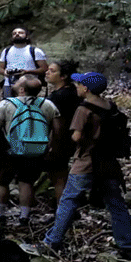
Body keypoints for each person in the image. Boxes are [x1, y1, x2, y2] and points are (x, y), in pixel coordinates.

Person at [40, 72, 131, 260]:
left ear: (85, 88)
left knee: (68, 201)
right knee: (116, 204)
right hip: (108, 163)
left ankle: (52, 242)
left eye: (78, 84)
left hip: (86, 162)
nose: (76, 87)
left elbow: (76, 136)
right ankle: (127, 245)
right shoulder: (110, 106)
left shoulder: (84, 109)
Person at [0, 73, 55, 224]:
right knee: (26, 182)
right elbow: (55, 128)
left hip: (11, 149)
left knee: (2, 182)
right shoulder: (47, 105)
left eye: (18, 82)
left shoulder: (6, 104)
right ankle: (24, 217)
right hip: (36, 150)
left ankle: (0, 215)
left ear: (21, 90)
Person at [44, 59, 81, 202]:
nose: (47, 72)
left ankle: (63, 212)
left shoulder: (59, 97)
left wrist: (52, 145)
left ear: (63, 76)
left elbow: (58, 124)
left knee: (59, 177)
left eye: (52, 71)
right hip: (69, 139)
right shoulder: (73, 92)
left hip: (59, 141)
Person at [0, 28, 48, 98]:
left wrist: (27, 72)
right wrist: (5, 72)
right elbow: (0, 68)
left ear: (26, 36)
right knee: (9, 105)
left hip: (29, 85)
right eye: (14, 33)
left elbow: (44, 69)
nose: (17, 34)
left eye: (20, 33)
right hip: (8, 84)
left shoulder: (35, 51)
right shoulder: (6, 51)